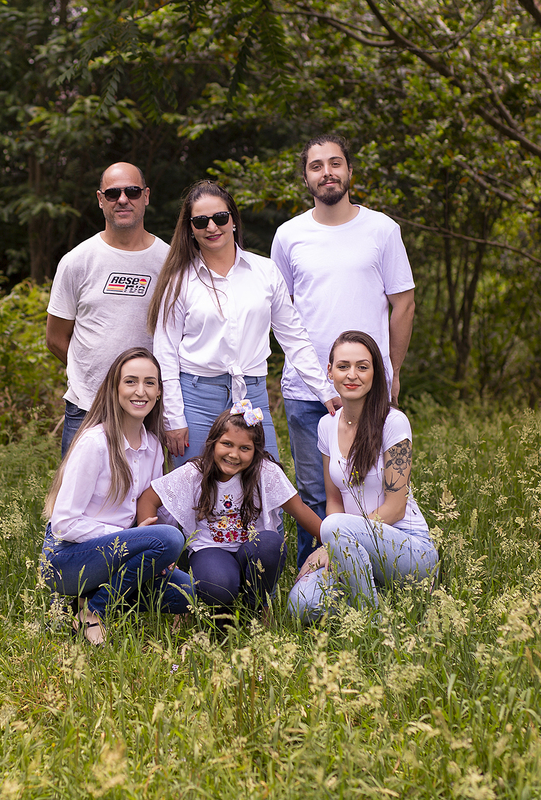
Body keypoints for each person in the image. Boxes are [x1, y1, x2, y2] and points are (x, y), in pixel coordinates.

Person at [271, 134, 417, 570]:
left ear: (350, 171)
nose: (327, 172)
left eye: (335, 163)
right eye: (317, 166)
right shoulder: (289, 235)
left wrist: (392, 369)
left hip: (367, 386)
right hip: (305, 389)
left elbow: (404, 302)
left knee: (375, 486)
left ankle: (377, 571)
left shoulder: (381, 229)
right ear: (306, 177)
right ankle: (312, 578)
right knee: (315, 492)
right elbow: (280, 313)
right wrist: (314, 378)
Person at [148, 180, 340, 472]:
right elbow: (165, 352)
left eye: (220, 218)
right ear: (190, 229)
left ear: (234, 220)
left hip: (252, 394)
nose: (212, 227)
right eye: (201, 221)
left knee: (267, 485)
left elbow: (294, 339)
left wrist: (324, 391)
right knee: (193, 491)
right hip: (196, 398)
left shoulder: (264, 271)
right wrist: (174, 418)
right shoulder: (178, 280)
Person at [41, 347, 193, 645]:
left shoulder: (153, 447)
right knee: (168, 540)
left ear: (160, 392)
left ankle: (88, 600)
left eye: (150, 382)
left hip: (119, 555)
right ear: (115, 388)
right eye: (131, 381)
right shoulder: (95, 443)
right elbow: (63, 523)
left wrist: (161, 554)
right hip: (68, 560)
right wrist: (132, 537)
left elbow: (155, 516)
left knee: (192, 593)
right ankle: (94, 612)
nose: (141, 391)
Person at [288, 331, 437, 621]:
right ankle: (378, 593)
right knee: (301, 604)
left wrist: (337, 538)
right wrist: (337, 544)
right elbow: (333, 500)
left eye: (362, 366)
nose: (351, 374)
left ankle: (368, 623)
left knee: (334, 526)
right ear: (329, 372)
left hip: (407, 548)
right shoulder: (326, 426)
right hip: (348, 545)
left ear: (375, 374)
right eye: (343, 366)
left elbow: (396, 507)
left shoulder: (393, 422)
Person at [137, 401, 321, 617]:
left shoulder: (265, 473)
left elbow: (300, 510)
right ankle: (222, 606)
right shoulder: (194, 473)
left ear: (256, 451)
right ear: (213, 443)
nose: (234, 454)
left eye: (245, 448)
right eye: (227, 444)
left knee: (272, 544)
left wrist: (332, 542)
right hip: (209, 550)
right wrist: (157, 549)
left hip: (253, 548)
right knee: (218, 586)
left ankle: (256, 605)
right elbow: (148, 499)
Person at [46, 163, 170, 456]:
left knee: (143, 499)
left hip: (147, 409)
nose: (123, 199)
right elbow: (55, 338)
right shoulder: (77, 261)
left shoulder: (169, 261)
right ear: (101, 199)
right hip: (88, 407)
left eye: (132, 191)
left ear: (146, 196)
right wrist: (95, 378)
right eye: (113, 193)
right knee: (77, 498)